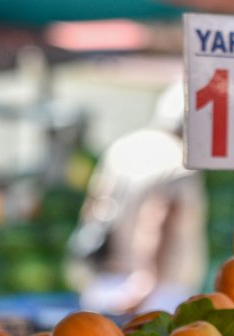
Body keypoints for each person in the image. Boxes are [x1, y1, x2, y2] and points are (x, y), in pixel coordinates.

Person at [65, 82, 207, 316]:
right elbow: (157, 217)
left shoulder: (123, 147)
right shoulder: (180, 159)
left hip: (107, 281)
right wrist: (145, 284)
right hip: (155, 293)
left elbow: (94, 207)